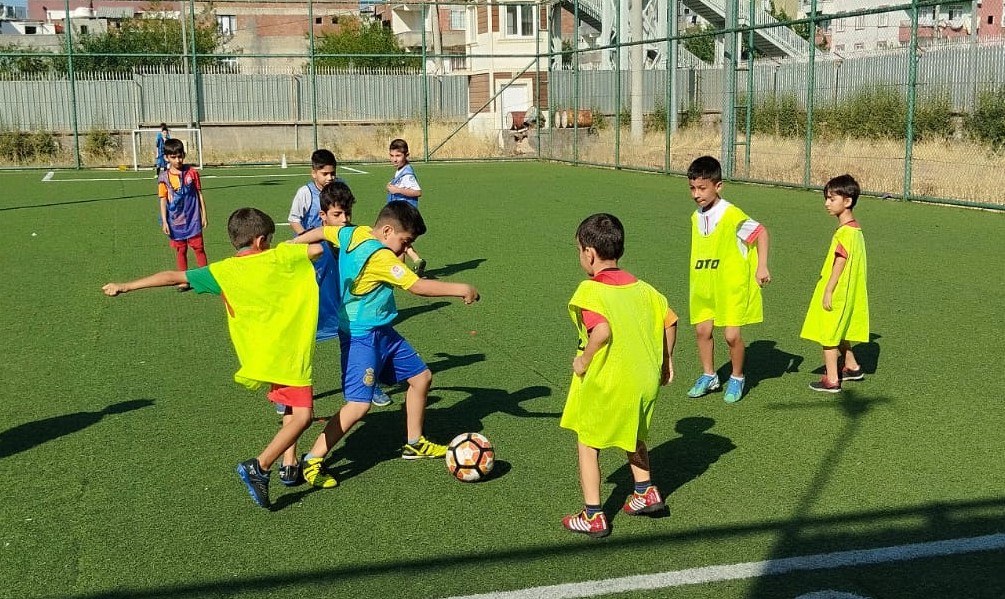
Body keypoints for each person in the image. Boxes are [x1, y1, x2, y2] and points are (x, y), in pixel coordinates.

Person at [102, 207, 326, 510]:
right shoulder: (281, 257)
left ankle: (289, 462)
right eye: (270, 240)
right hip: (290, 356)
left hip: (263, 357)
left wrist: (126, 286)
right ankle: (259, 466)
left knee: (290, 410)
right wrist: (307, 237)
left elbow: (173, 276)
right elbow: (317, 246)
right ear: (261, 241)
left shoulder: (223, 271)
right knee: (303, 416)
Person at [289, 200, 479, 489]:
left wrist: (293, 243)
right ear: (387, 231)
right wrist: (460, 288)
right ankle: (313, 458)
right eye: (405, 242)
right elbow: (417, 286)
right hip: (360, 336)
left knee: (421, 377)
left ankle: (414, 443)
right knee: (358, 405)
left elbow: (323, 232)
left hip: (383, 331)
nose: (405, 250)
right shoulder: (381, 258)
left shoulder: (355, 233)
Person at [560, 213, 678, 538]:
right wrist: (667, 362)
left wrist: (583, 360)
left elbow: (601, 331)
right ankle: (645, 491)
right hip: (642, 380)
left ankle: (593, 515)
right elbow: (670, 322)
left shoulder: (590, 291)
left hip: (607, 381)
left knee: (588, 443)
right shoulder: (647, 291)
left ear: (589, 253)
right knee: (633, 434)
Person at [684, 155, 770, 404]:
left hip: (730, 286)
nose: (696, 194)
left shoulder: (732, 215)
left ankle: (737, 377)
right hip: (703, 283)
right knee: (702, 330)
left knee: (731, 336)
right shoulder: (696, 216)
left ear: (718, 186)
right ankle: (709, 375)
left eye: (702, 188)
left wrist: (761, 266)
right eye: (692, 188)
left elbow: (760, 232)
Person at [800, 174, 869, 393]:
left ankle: (832, 380)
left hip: (838, 291)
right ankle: (851, 365)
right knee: (840, 331)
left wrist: (828, 289)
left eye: (832, 199)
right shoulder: (855, 231)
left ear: (847, 201)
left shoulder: (844, 234)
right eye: (827, 198)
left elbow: (840, 260)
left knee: (828, 334)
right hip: (849, 292)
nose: (827, 203)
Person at [158, 138, 208, 291]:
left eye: (180, 156)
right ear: (166, 157)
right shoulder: (164, 178)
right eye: (173, 157)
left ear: (184, 155)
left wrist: (204, 214)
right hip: (175, 219)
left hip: (193, 218)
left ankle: (204, 278)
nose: (178, 160)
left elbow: (199, 194)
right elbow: (163, 200)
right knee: (181, 249)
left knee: (198, 248)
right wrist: (165, 221)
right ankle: (184, 280)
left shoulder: (192, 173)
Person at [386, 139, 426, 276]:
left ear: (406, 155)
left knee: (398, 240)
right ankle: (416, 260)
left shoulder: (407, 174)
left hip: (404, 213)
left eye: (398, 156)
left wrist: (397, 190)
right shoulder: (401, 170)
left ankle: (401, 270)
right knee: (401, 240)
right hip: (399, 212)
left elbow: (417, 192)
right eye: (392, 156)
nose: (394, 159)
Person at [288, 149, 338, 235]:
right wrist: (307, 238)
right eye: (325, 174)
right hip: (309, 243)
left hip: (332, 239)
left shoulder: (340, 186)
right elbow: (294, 220)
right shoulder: (305, 192)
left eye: (332, 173)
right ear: (314, 173)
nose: (330, 178)